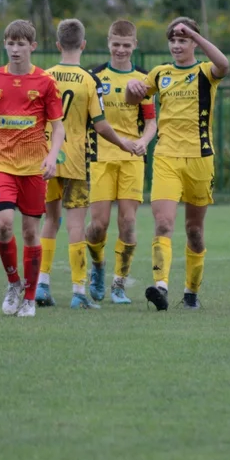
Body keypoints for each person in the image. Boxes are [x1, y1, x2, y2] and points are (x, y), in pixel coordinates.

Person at [125, 17, 229, 311]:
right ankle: (161, 288)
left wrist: (197, 34)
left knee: (194, 231)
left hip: (200, 159)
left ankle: (191, 293)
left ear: (194, 42)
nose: (176, 45)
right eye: (172, 39)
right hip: (166, 157)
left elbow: (225, 65)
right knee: (163, 222)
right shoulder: (160, 73)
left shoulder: (205, 71)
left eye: (183, 39)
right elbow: (133, 100)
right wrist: (131, 89)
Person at [37, 19, 138, 309]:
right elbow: (102, 125)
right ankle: (78, 292)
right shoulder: (89, 80)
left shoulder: (44, 77)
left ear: (58, 45)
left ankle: (42, 285)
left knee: (49, 221)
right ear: (83, 45)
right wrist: (124, 143)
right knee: (76, 226)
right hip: (78, 161)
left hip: (48, 159)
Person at [0, 19, 65, 318]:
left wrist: (52, 157)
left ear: (33, 46)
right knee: (4, 224)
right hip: (0, 162)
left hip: (32, 167)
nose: (15, 49)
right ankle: (14, 283)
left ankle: (29, 297)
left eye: (21, 44)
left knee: (31, 232)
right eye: (10, 43)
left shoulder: (45, 82)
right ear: (5, 44)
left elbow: (58, 127)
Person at [85, 19, 157, 304]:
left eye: (126, 45)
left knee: (128, 223)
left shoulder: (143, 79)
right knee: (98, 226)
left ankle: (118, 285)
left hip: (132, 158)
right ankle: (98, 265)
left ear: (135, 45)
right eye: (116, 44)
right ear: (108, 43)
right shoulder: (95, 77)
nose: (121, 50)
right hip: (100, 157)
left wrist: (143, 141)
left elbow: (151, 122)